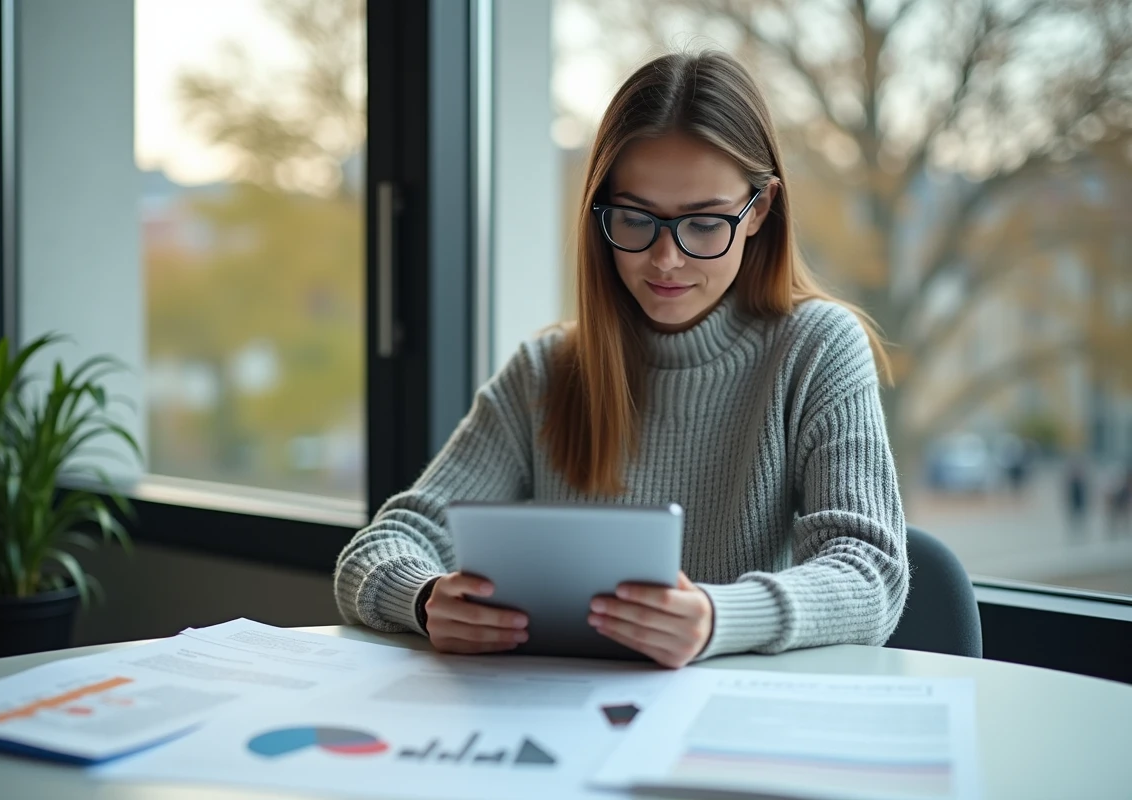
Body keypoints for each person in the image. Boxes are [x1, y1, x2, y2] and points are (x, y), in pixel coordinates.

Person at [334, 51, 909, 669]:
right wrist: (423, 599)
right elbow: (380, 548)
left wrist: (719, 617)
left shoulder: (818, 348)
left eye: (705, 224)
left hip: (731, 720)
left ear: (760, 211)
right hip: (561, 719)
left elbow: (870, 572)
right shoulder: (547, 369)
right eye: (636, 219)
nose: (665, 259)